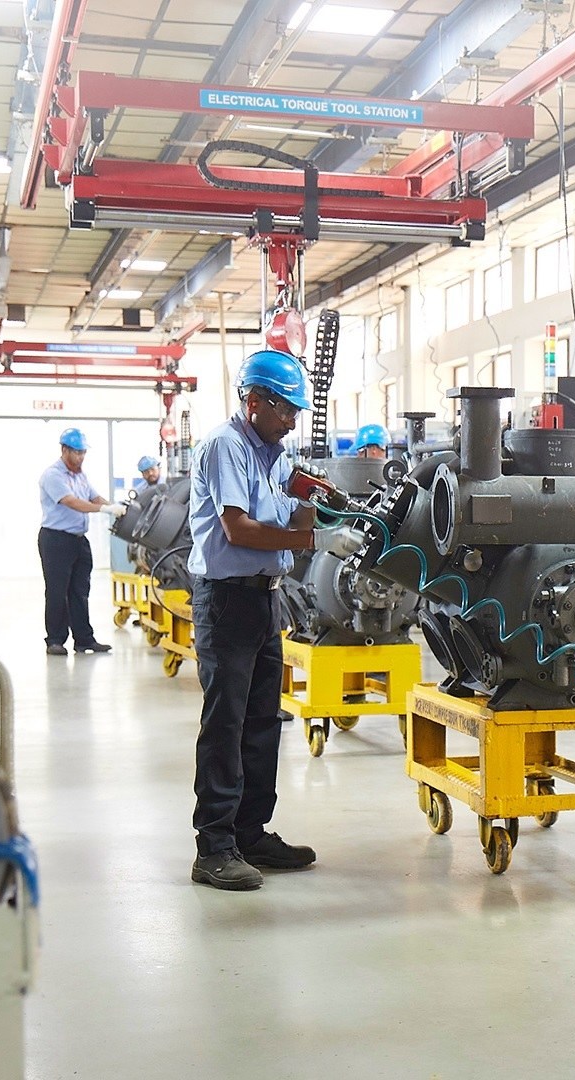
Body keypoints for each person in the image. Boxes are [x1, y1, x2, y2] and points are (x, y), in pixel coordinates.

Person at [186, 349, 335, 891]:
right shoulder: (227, 446)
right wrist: (313, 539)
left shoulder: (276, 455)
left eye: (296, 411)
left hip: (265, 599)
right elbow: (239, 529)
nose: (291, 421)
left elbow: (290, 518)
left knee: (262, 722)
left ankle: (250, 833)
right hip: (226, 601)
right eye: (284, 409)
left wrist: (310, 498)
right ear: (254, 401)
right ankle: (214, 848)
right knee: (226, 724)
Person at [38, 427, 121, 656]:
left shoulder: (80, 475)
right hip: (56, 540)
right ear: (64, 450)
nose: (81, 457)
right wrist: (103, 510)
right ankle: (55, 640)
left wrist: (115, 507)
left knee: (80, 591)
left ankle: (84, 640)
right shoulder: (53, 475)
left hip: (78, 540)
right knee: (57, 591)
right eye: (77, 452)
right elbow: (72, 502)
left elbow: (94, 496)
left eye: (83, 452)